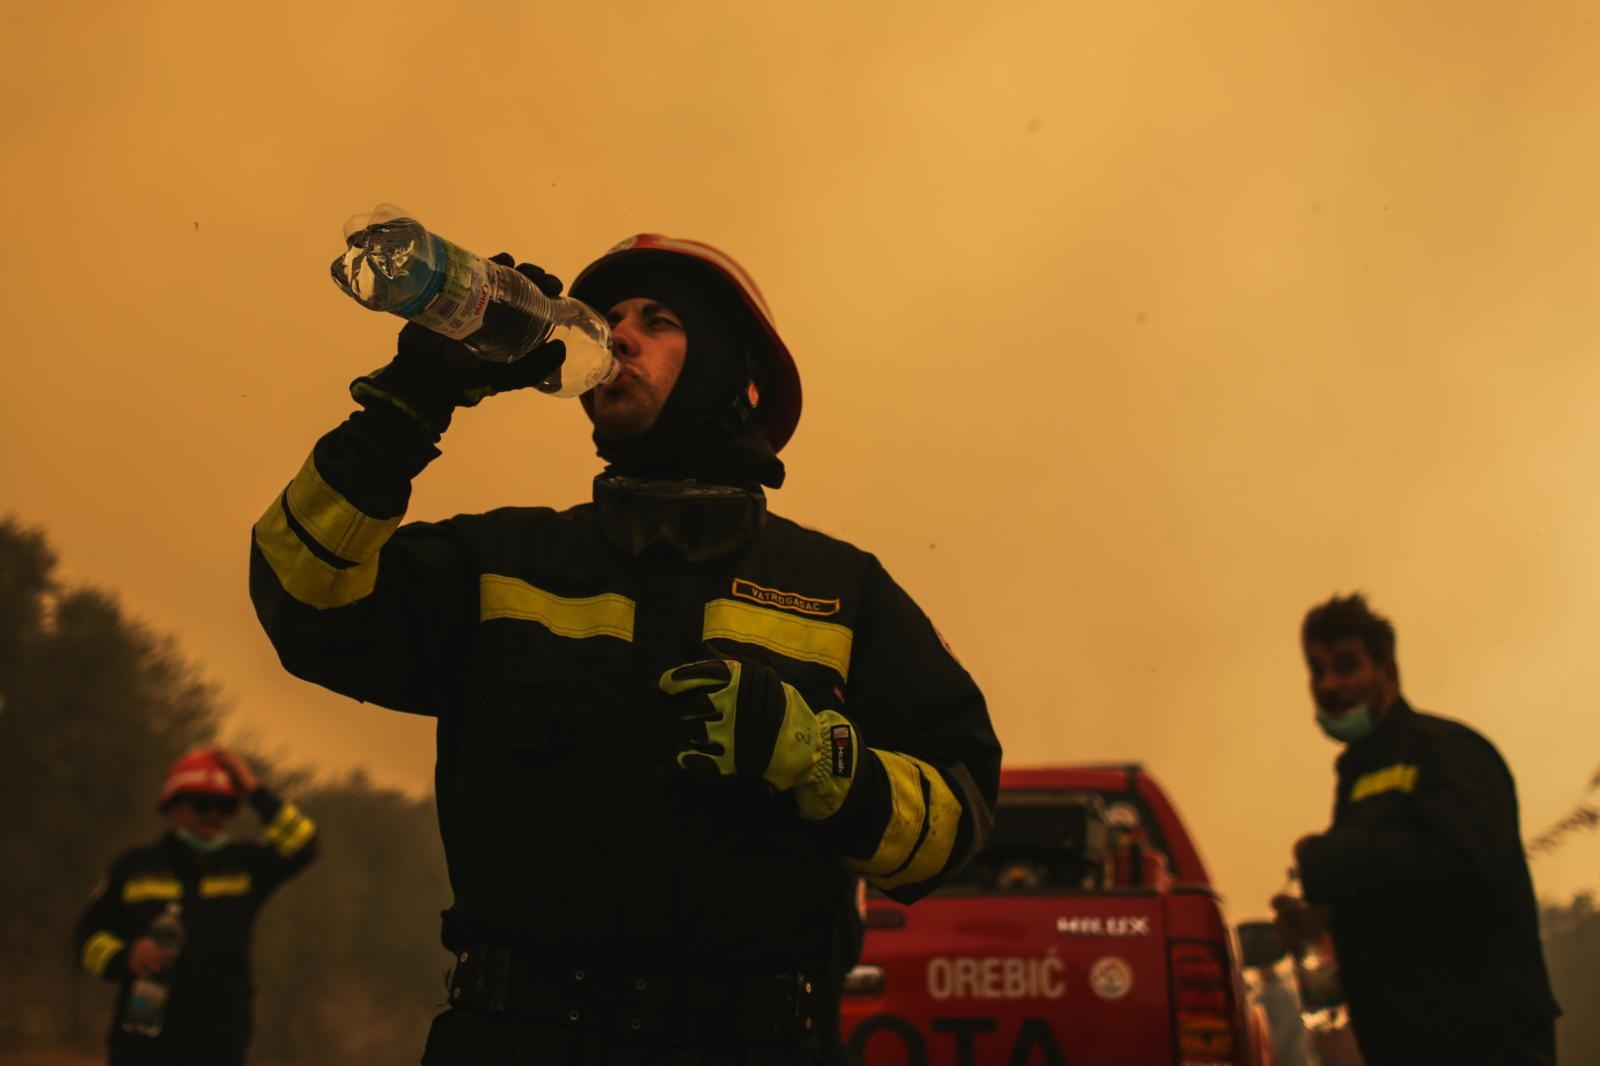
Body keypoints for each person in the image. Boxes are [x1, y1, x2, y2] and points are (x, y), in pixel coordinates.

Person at [249, 235, 1002, 1063]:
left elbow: (952, 826)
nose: (619, 339)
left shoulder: (841, 592)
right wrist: (411, 402)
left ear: (729, 375)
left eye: (660, 320)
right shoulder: (500, 565)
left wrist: (817, 759)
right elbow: (304, 597)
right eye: (608, 320)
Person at [1273, 593, 1558, 1066]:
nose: (1328, 685)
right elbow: (1389, 892)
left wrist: (1330, 858)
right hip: (1403, 1040)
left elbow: (1464, 866)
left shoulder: (1447, 753)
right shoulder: (1358, 774)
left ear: (1388, 671)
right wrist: (1322, 923)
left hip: (1482, 1038)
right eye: (1316, 670)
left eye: (1346, 666)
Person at [74, 747, 320, 1066]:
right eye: (203, 804)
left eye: (226, 805)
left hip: (219, 1047)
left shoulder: (245, 867)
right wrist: (126, 956)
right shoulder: (133, 868)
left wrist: (252, 788)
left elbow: (305, 845)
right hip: (141, 1047)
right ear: (172, 806)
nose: (214, 815)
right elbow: (85, 938)